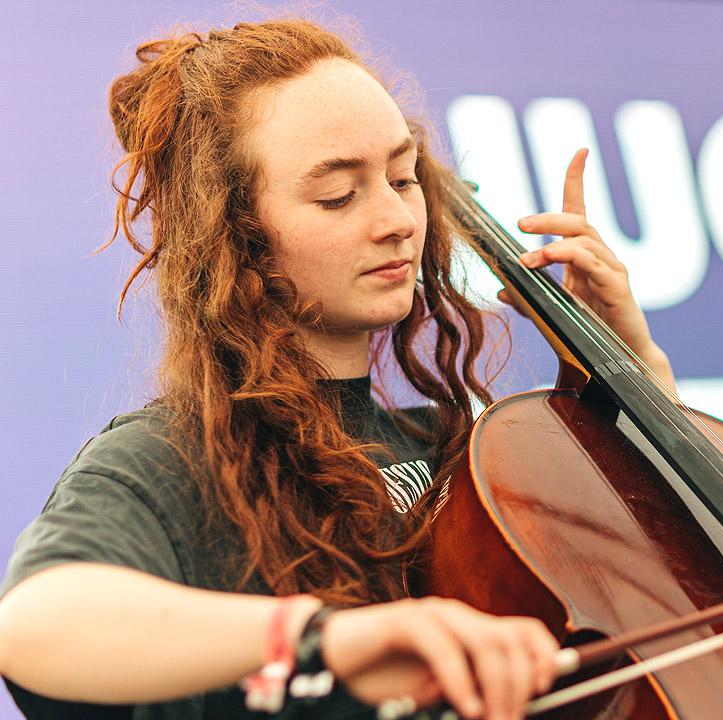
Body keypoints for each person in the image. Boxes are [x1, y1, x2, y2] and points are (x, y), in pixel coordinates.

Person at [0, 17, 676, 720]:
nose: (399, 220)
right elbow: (33, 625)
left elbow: (675, 567)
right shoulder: (172, 459)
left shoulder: (462, 456)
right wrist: (325, 637)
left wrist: (635, 369)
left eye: (403, 176)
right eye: (338, 195)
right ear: (239, 237)